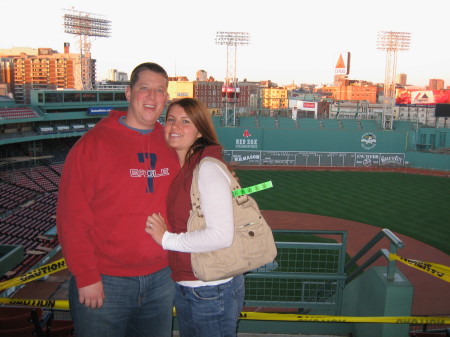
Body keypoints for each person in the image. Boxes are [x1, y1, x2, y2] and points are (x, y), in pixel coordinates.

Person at [56, 62, 180, 337]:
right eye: (144, 88)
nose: (152, 97)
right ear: (128, 93)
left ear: (166, 98)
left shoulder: (173, 143)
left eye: (160, 91)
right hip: (105, 281)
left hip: (161, 279)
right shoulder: (93, 144)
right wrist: (87, 276)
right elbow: (71, 217)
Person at [145, 98, 245, 337]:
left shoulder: (207, 168)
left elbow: (221, 235)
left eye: (185, 121)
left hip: (212, 289)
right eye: (171, 120)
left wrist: (166, 239)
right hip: (190, 286)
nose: (175, 127)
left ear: (200, 131)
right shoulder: (186, 166)